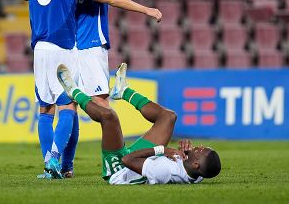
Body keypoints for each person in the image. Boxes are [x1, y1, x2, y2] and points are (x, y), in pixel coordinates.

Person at [0, 0, 162, 179]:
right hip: (68, 47)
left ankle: (106, 158)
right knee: (70, 107)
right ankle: (65, 164)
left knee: (67, 108)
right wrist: (146, 10)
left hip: (81, 47)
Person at [56, 62, 221, 184]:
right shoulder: (197, 172)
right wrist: (185, 153)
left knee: (109, 117)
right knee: (169, 117)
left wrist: (163, 150)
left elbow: (127, 159)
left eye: (199, 150)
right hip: (145, 158)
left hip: (121, 168)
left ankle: (73, 91)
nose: (198, 146)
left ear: (196, 164)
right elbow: (201, 170)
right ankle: (123, 91)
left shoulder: (164, 172)